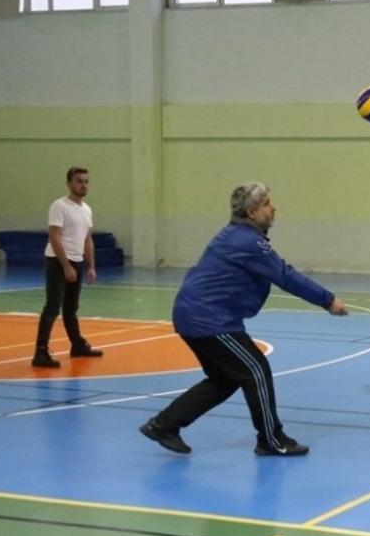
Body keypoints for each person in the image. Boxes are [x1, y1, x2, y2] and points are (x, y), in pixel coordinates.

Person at [139, 182, 347, 456]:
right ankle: (271, 439)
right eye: (267, 204)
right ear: (251, 211)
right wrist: (327, 299)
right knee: (256, 371)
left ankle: (164, 424)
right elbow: (285, 275)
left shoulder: (239, 236)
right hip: (208, 319)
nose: (273, 209)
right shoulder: (247, 242)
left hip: (197, 315)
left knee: (225, 378)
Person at [32, 167, 103, 368]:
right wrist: (65, 266)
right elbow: (54, 237)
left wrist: (91, 267)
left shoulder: (87, 209)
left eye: (86, 181)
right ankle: (41, 352)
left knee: (71, 308)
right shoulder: (59, 206)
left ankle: (77, 345)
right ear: (70, 183)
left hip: (76, 261)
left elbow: (87, 240)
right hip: (58, 261)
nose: (84, 185)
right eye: (79, 181)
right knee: (53, 306)